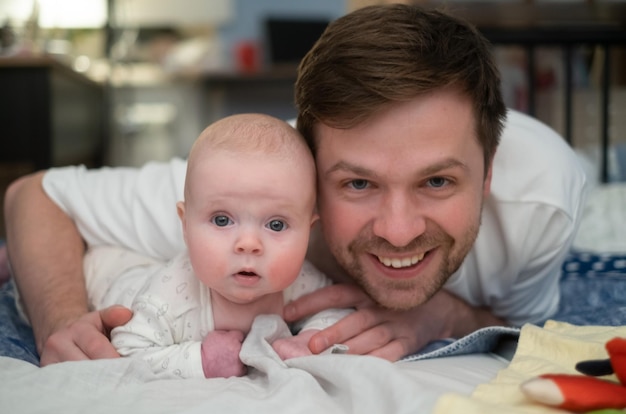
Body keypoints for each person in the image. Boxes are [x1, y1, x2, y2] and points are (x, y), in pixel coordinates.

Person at [4, 4, 587, 366]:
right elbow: (34, 194)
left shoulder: (543, 207)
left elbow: (515, 321)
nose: (399, 230)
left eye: (437, 181)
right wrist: (60, 319)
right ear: (308, 172)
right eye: (358, 183)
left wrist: (443, 315)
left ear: (487, 175)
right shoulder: (259, 190)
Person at [79, 114, 349, 378]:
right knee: (104, 268)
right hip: (110, 273)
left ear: (307, 234)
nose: (248, 244)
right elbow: (127, 350)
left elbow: (336, 310)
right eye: (222, 220)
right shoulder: (164, 298)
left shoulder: (300, 281)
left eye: (276, 225)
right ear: (185, 226)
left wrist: (310, 339)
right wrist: (201, 361)